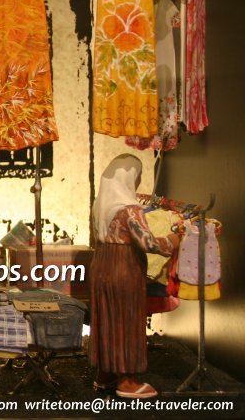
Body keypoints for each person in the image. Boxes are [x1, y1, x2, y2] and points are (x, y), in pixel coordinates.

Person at [90, 154, 179, 399]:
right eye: (138, 177)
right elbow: (148, 243)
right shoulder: (130, 210)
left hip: (101, 267)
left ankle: (106, 373)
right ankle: (128, 380)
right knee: (126, 321)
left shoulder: (100, 205)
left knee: (107, 318)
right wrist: (173, 240)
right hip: (124, 268)